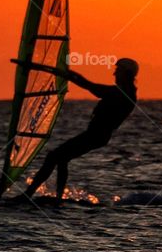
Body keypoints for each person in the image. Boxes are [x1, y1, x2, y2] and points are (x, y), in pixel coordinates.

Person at [12, 56, 139, 201]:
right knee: (61, 158)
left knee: (53, 156)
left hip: (96, 136)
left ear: (126, 74)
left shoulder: (124, 94)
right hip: (96, 135)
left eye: (118, 71)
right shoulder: (124, 91)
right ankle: (58, 197)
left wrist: (66, 74)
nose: (114, 74)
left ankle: (28, 195)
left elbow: (90, 86)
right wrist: (66, 73)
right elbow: (90, 86)